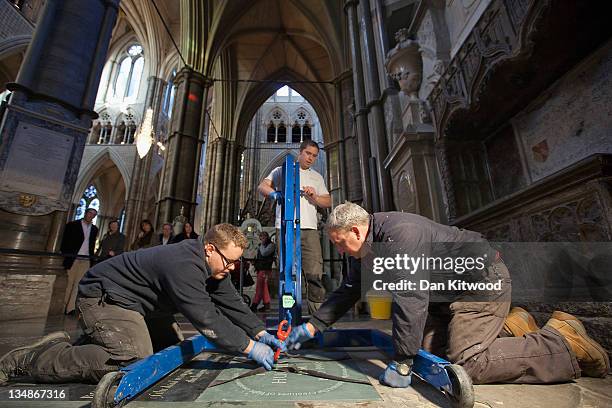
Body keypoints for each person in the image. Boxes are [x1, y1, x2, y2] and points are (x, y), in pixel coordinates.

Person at [286, 202, 609, 387]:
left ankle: (561, 343)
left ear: (356, 231)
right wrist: (313, 327)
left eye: (340, 243)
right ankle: (513, 327)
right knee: (428, 350)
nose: (339, 249)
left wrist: (401, 362)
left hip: (480, 285)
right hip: (448, 298)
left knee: (466, 364)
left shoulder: (401, 234)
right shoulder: (367, 248)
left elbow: (410, 297)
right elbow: (348, 291)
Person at [0, 224, 284, 385]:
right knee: (133, 360)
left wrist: (260, 333)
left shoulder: (212, 264)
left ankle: (94, 342)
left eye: (236, 262)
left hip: (137, 306)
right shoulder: (184, 264)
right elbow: (206, 316)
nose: (233, 268)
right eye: (229, 261)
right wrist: (249, 348)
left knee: (169, 352)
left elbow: (231, 302)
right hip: (104, 299)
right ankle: (30, 360)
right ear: (209, 248)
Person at [258, 140, 331, 314]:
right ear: (301, 152)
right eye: (308, 153)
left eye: (314, 155)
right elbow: (262, 186)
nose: (311, 158)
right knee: (287, 272)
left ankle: (316, 318)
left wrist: (314, 197)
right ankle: (288, 314)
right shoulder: (282, 171)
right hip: (285, 227)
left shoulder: (317, 177)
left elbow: (328, 201)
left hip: (310, 229)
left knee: (314, 273)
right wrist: (276, 194)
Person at [60, 208, 99, 315]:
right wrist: (66, 254)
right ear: (86, 213)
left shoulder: (95, 229)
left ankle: (70, 308)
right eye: (90, 213)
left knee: (78, 284)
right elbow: (64, 241)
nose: (91, 216)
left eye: (94, 215)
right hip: (73, 257)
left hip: (86, 259)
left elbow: (91, 245)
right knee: (69, 282)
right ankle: (62, 307)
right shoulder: (72, 225)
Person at [251, 232, 275, 312]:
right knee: (263, 288)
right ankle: (266, 305)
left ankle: (255, 304)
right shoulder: (262, 246)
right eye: (260, 237)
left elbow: (264, 253)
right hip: (261, 268)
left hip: (265, 269)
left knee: (261, 288)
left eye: (263, 237)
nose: (261, 239)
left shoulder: (270, 245)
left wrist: (261, 245)